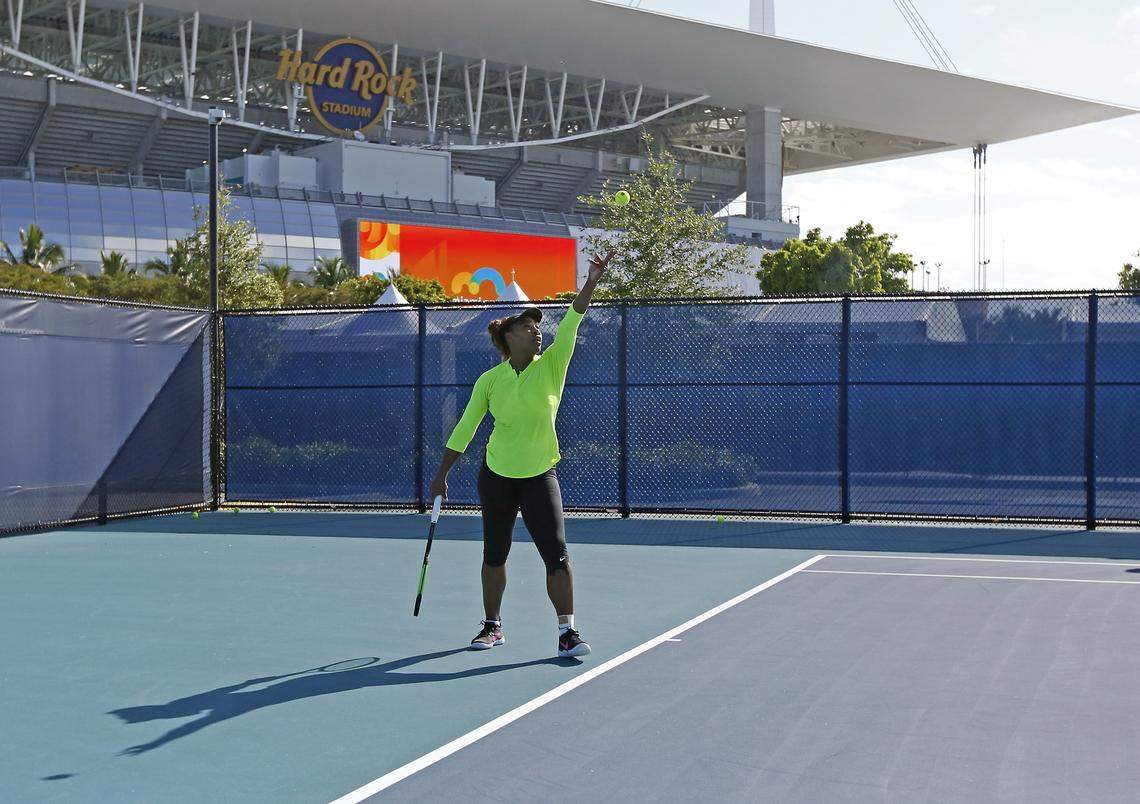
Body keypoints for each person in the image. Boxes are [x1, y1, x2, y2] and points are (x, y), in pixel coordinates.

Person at [430, 250, 613, 658]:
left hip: (539, 475)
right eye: (528, 327)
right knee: (495, 552)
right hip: (496, 476)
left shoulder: (552, 365)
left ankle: (567, 632)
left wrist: (592, 281)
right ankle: (492, 626)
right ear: (508, 336)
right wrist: (442, 474)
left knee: (556, 552)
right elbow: (466, 427)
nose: (537, 332)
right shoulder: (490, 380)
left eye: (537, 327)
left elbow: (572, 319)